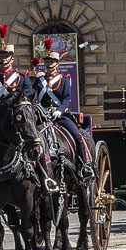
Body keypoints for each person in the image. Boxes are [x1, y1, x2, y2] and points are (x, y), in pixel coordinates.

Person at [33, 45, 97, 183]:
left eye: (52, 62)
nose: (49, 64)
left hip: (60, 116)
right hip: (42, 116)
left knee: (77, 135)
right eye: (47, 62)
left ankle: (85, 165)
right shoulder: (39, 81)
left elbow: (67, 99)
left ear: (57, 64)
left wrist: (59, 110)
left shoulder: (64, 80)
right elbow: (34, 98)